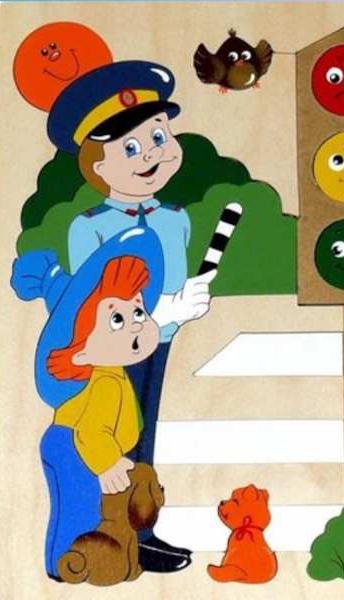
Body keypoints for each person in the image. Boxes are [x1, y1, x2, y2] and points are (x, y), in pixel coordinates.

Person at [47, 60, 216, 571]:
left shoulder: (176, 219)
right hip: (112, 350)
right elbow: (94, 303)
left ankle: (140, 528)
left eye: (159, 136)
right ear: (98, 168)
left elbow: (173, 280)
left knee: (145, 435)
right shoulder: (89, 228)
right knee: (113, 436)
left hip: (158, 342)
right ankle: (115, 532)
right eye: (131, 148)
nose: (152, 153)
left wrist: (184, 306)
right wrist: (166, 308)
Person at [11, 228, 185, 580]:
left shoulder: (112, 372)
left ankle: (84, 560)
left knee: (87, 507)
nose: (136, 326)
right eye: (117, 320)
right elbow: (92, 429)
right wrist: (107, 464)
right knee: (79, 508)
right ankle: (63, 565)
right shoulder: (104, 381)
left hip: (84, 444)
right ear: (81, 350)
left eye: (138, 311)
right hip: (74, 445)